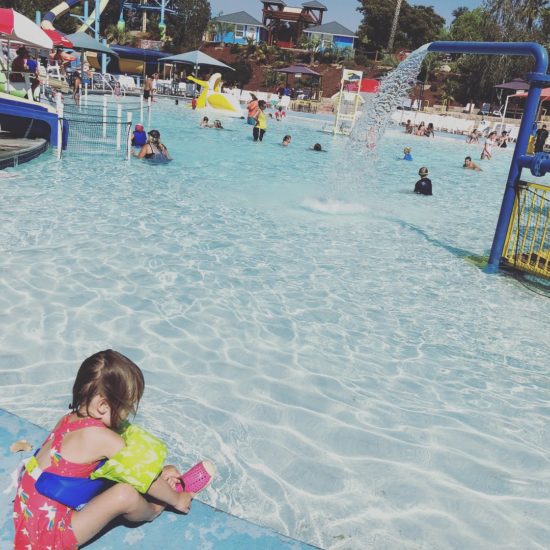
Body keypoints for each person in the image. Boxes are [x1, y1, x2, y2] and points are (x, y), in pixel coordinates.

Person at [13, 350, 208, 549]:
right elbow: (146, 478)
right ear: (103, 406)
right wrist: (177, 499)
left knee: (124, 472)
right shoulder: (103, 438)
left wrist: (160, 472)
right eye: (127, 406)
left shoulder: (67, 419)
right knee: (126, 494)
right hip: (49, 534)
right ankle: (154, 510)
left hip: (29, 512)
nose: (128, 413)